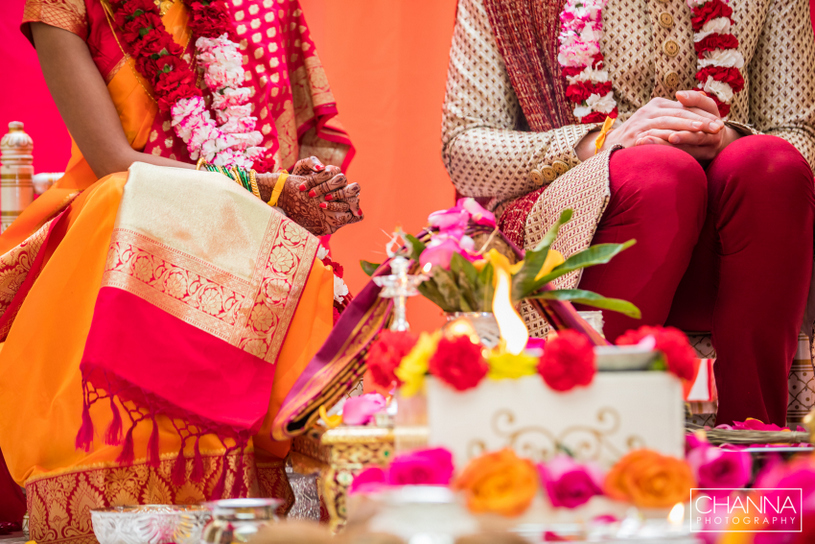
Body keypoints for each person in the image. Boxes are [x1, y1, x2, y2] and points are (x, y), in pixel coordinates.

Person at [0, 0, 362, 540]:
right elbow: (112, 160)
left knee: (290, 256)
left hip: (241, 218)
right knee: (122, 201)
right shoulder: (64, 6)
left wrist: (306, 189)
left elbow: (291, 142)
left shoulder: (261, 6)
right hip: (120, 214)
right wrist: (269, 190)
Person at [441, 0, 815, 427]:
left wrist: (722, 136)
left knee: (774, 165)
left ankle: (753, 445)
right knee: (661, 175)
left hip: (734, 245)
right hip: (584, 237)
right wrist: (602, 143)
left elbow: (799, 134)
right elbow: (464, 147)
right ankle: (598, 437)